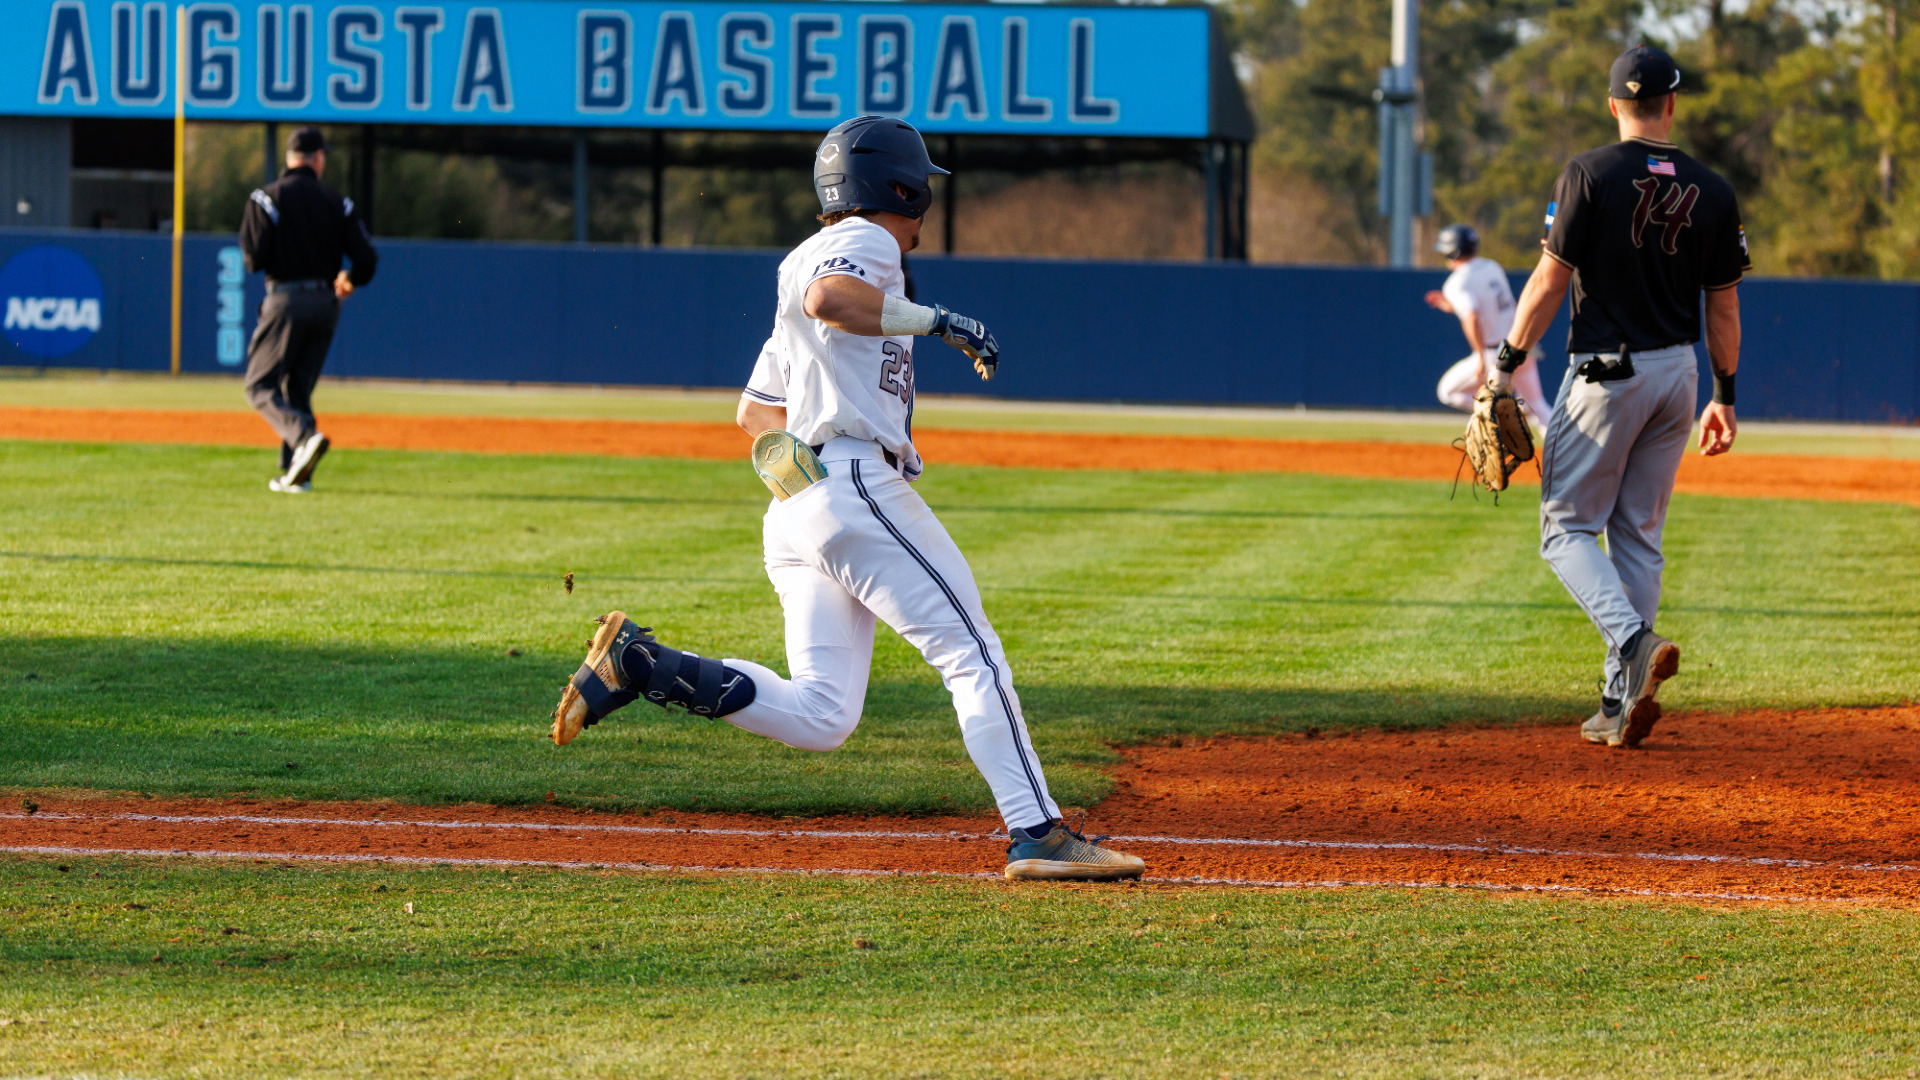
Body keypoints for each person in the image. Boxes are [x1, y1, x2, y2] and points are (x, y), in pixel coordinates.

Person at [550, 116, 1145, 882]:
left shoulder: (797, 272)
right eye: (920, 187)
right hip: (855, 483)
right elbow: (837, 298)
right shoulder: (866, 243)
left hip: (802, 505)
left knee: (826, 714)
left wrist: (795, 477)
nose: (925, 203)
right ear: (898, 187)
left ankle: (642, 663)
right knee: (972, 653)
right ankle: (1038, 833)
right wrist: (942, 323)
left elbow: (755, 413)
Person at [1490, 45, 1746, 749]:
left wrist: (1505, 367)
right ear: (1672, 104)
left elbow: (1546, 284)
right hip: (1678, 376)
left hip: (1607, 373)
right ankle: (1616, 700)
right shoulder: (1714, 190)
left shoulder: (1589, 173)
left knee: (1564, 528)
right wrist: (1723, 395)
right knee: (1638, 535)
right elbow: (1722, 309)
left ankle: (1632, 646)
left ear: (1613, 106)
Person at [239, 126, 378, 493]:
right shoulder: (338, 202)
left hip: (285, 297)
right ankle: (296, 475)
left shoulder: (266, 198)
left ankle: (303, 439)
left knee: (259, 384)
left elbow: (253, 259)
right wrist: (350, 278)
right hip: (325, 303)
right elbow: (367, 259)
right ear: (316, 159)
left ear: (290, 158)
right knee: (297, 386)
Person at [1424, 224, 1545, 420]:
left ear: (1452, 251)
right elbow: (1488, 306)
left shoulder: (1456, 282)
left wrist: (1479, 356)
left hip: (1495, 354)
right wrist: (1451, 306)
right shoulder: (1491, 266)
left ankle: (1503, 415)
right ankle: (1561, 450)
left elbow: (1471, 316)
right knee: (1536, 406)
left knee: (1447, 392)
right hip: (1522, 346)